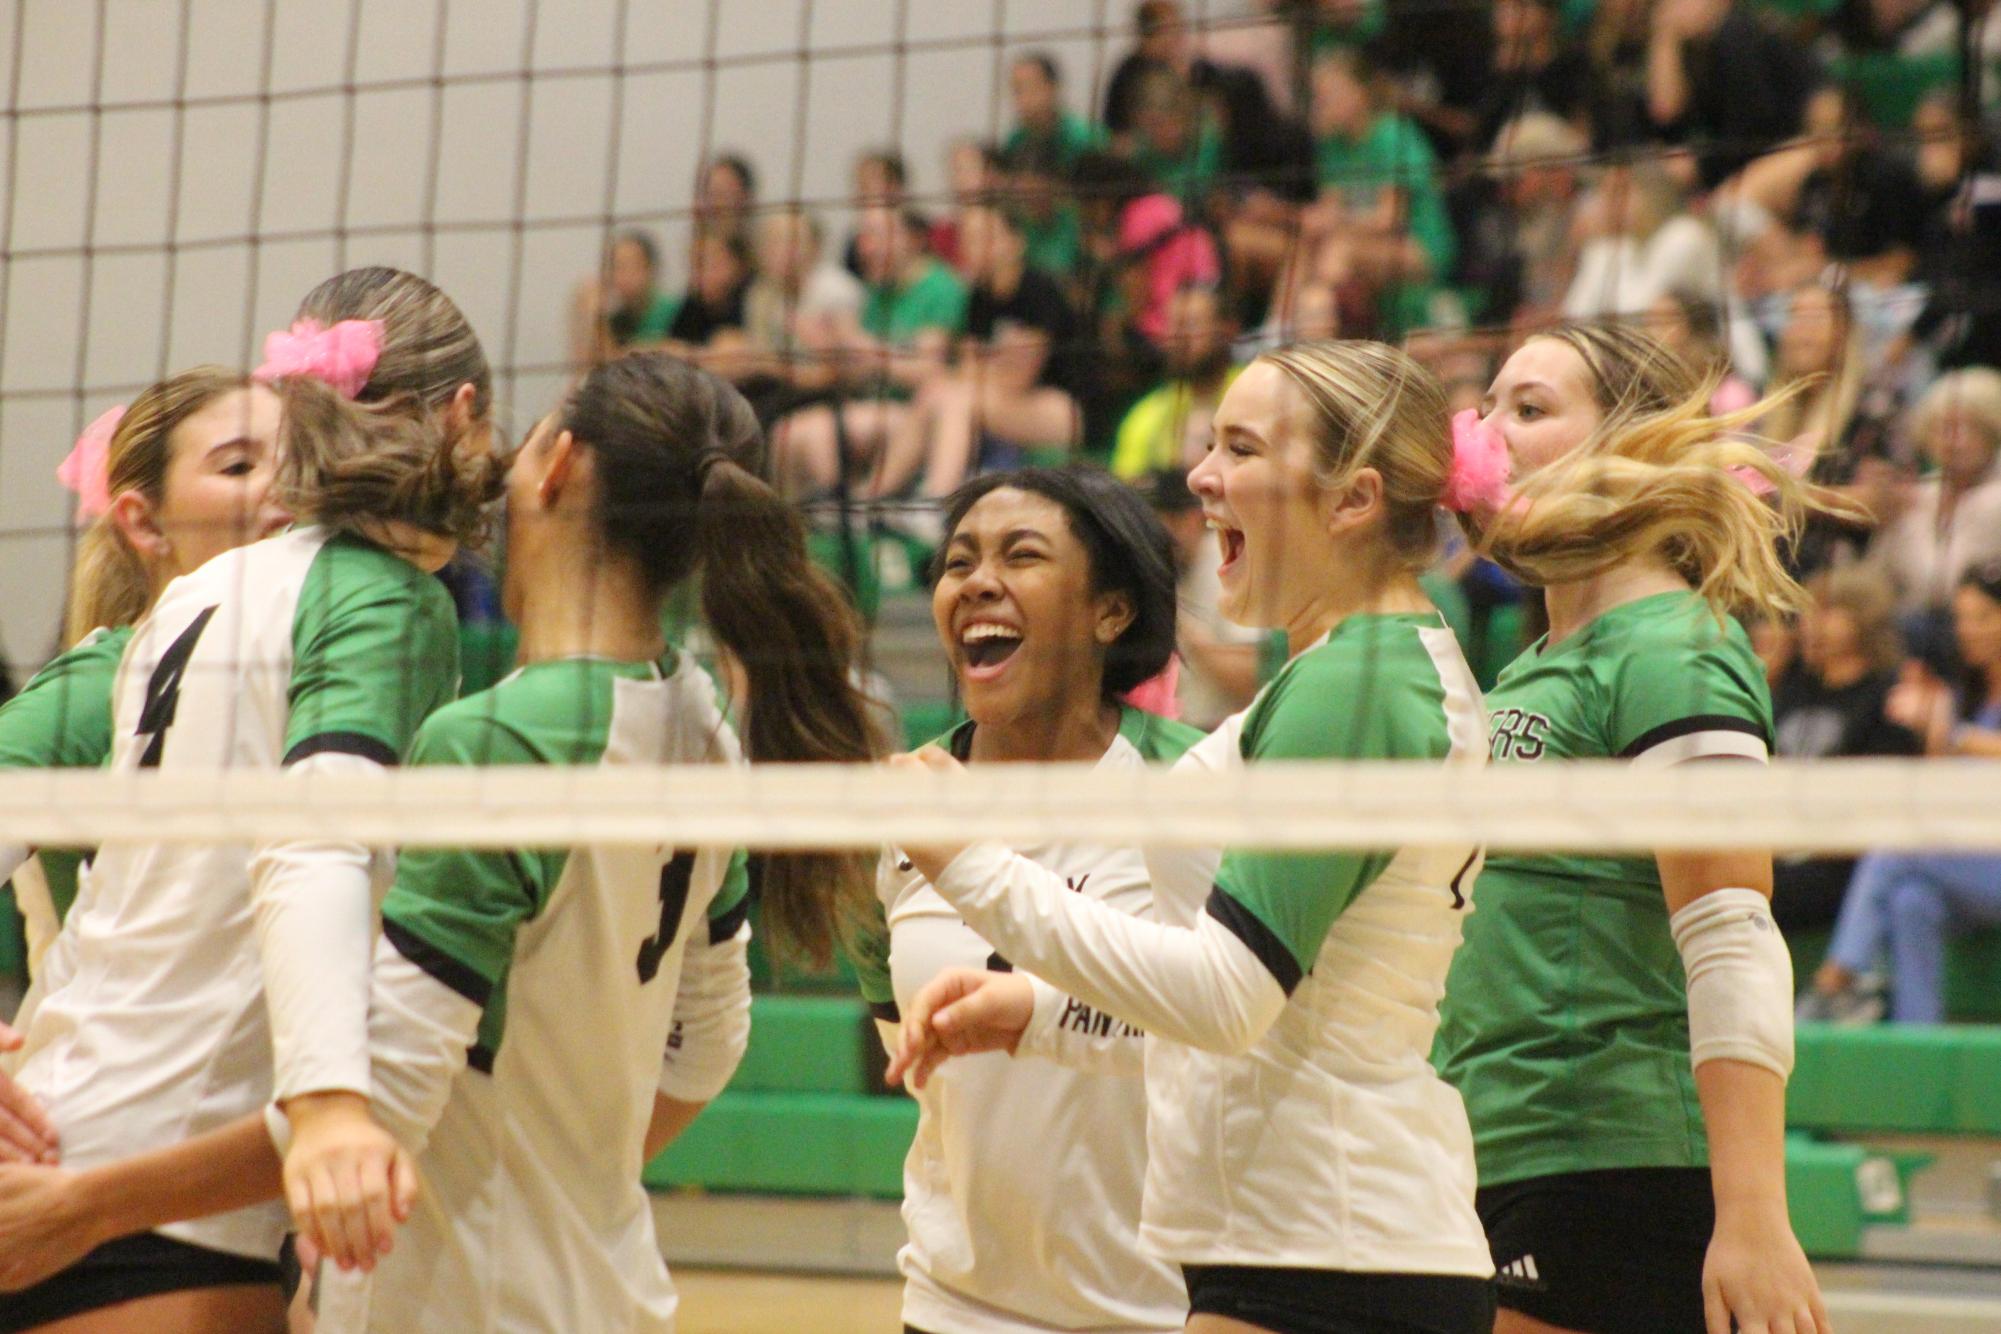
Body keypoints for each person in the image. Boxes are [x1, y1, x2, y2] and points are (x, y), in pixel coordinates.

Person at [888, 341, 1500, 1334]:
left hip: (1326, 1246)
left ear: (1350, 499)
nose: (1202, 475)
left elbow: (1229, 996)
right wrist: (1039, 1010)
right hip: (1301, 1239)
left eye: (1242, 449)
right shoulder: (1346, 671)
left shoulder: (1360, 683)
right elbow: (1266, 1001)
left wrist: (968, 860)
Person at [0, 267, 499, 1333]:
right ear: (465, 416)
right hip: (148, 1209)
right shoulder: (384, 598)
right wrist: (325, 1108)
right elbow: (312, 843)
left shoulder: (197, 592)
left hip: (68, 1123)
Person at [1435, 322, 1834, 1334]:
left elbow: (1733, 931)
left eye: (1528, 408)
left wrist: (1752, 1214)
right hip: (1496, 1151)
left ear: (1632, 445)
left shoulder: (1672, 647)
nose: (1484, 435)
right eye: (1487, 407)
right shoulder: (1532, 667)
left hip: (1612, 1160)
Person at [853, 467, 1194, 1334]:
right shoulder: (900, 810)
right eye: (958, 561)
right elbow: (899, 1039)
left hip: (1168, 1307)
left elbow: (1234, 1021)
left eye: (1021, 555)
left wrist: (1039, 1015)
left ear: (1109, 611)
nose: (977, 581)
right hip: (954, 1303)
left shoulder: (1193, 786)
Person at [0, 373, 286, 988]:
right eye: (238, 467)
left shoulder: (308, 676)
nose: (282, 490)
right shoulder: (101, 685)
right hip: (95, 1070)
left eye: (298, 463)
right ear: (146, 524)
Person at [1803, 560, 2001, 1025]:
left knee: (1897, 844)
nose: (1968, 630)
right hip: (1969, 858)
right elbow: (1941, 789)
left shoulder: (1969, 722)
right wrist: (1932, 731)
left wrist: (1959, 737)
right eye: (1961, 618)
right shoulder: (1965, 695)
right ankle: (1920, 1038)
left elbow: (1969, 747)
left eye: (1983, 617)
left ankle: (1837, 975)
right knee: (1911, 900)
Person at [866, 204, 1084, 516]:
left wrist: (986, 367)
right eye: (968, 239)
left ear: (1015, 242)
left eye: (986, 237)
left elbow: (1020, 378)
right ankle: (871, 497)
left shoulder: (1039, 289)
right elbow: (969, 367)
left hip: (1063, 408)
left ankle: (936, 504)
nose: (975, 247)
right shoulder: (978, 297)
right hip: (1005, 400)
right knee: (935, 390)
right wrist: (995, 364)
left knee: (958, 399)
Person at [1768, 569, 1923, 933]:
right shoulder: (1793, 689)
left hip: (1838, 859)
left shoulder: (1888, 696)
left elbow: (1882, 798)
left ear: (1862, 618)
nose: (1810, 625)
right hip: (1777, 841)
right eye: (1806, 613)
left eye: (1826, 612)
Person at [1143, 469, 1263, 729]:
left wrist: (1178, 623)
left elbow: (1252, 680)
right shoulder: (1152, 567)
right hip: (1167, 734)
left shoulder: (1233, 565)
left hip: (1223, 733)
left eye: (1167, 522)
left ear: (1195, 518)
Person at [1109, 285, 1238, 480]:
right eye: (1173, 325)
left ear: (1227, 331)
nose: (1179, 338)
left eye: (1192, 325)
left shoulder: (1256, 389)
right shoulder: (1146, 414)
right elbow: (1126, 490)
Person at [569, 230, 678, 367]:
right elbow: (586, 368)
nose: (621, 275)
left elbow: (619, 367)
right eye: (616, 266)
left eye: (630, 265)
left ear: (650, 269)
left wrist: (597, 317)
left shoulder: (671, 312)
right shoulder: (620, 318)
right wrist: (581, 313)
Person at [1002, 51, 1101, 174]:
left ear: (1052, 88)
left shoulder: (1081, 138)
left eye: (1031, 87)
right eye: (1017, 90)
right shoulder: (1017, 139)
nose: (1022, 98)